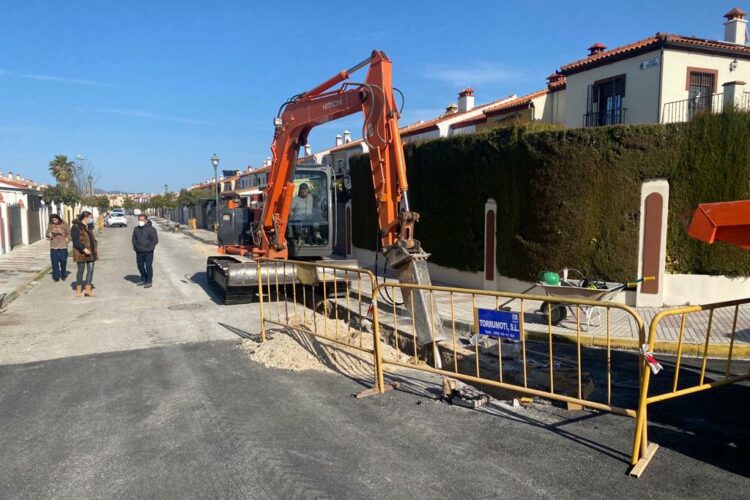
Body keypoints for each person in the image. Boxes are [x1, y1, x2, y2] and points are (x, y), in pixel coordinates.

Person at [70, 211, 98, 297]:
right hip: (80, 253)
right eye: (90, 217)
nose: (91, 219)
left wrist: (95, 243)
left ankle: (88, 291)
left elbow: (91, 238)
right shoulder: (76, 227)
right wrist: (83, 249)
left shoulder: (89, 226)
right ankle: (78, 290)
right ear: (85, 217)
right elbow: (75, 241)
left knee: (90, 270)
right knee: (81, 270)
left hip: (91, 252)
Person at [132, 213, 159, 288]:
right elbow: (134, 239)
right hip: (139, 251)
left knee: (148, 266)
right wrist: (135, 248)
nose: (140, 221)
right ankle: (143, 278)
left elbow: (155, 240)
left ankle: (149, 281)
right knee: (140, 266)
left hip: (148, 252)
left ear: (146, 220)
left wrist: (150, 248)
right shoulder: (136, 229)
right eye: (139, 220)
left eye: (142, 220)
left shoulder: (151, 229)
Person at [45, 214, 70, 282]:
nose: (54, 221)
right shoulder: (50, 225)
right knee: (54, 261)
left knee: (63, 260)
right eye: (53, 220)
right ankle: (56, 276)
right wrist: (50, 234)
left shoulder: (64, 224)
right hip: (54, 244)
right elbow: (47, 234)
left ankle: (63, 273)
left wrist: (68, 238)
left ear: (58, 218)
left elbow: (69, 233)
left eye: (55, 219)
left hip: (63, 244)